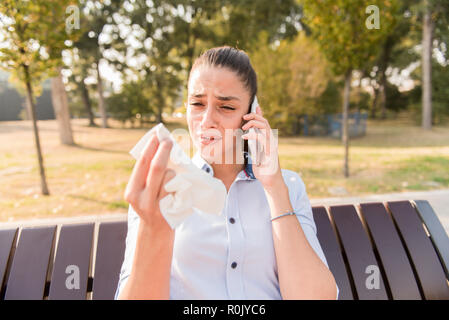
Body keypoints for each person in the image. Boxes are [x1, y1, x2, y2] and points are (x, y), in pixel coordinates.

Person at [115, 46, 339, 300]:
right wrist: (154, 229)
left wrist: (274, 189)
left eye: (226, 107)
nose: (207, 120)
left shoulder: (288, 185)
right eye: (197, 104)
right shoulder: (159, 189)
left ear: (252, 114)